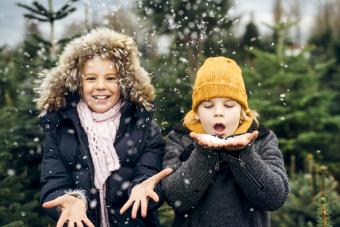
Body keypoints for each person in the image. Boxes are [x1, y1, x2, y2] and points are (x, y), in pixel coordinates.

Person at [35, 28, 172, 227]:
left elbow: (149, 176)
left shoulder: (144, 128)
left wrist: (143, 188)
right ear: (76, 82)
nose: (100, 86)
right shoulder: (61, 130)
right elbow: (53, 185)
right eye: (90, 78)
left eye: (111, 78)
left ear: (125, 82)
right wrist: (68, 201)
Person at [162, 56, 289, 226]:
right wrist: (203, 153)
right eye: (208, 106)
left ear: (242, 111)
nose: (218, 112)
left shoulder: (262, 138)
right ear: (197, 112)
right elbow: (176, 198)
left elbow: (274, 198)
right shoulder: (181, 138)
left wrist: (242, 155)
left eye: (229, 105)